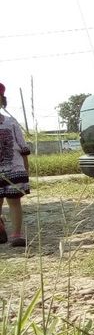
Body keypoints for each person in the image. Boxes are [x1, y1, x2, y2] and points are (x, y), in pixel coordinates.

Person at [0, 83, 30, 247]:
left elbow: (23, 147)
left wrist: (26, 169)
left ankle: (17, 234)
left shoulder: (11, 123)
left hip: (14, 170)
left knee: (14, 201)